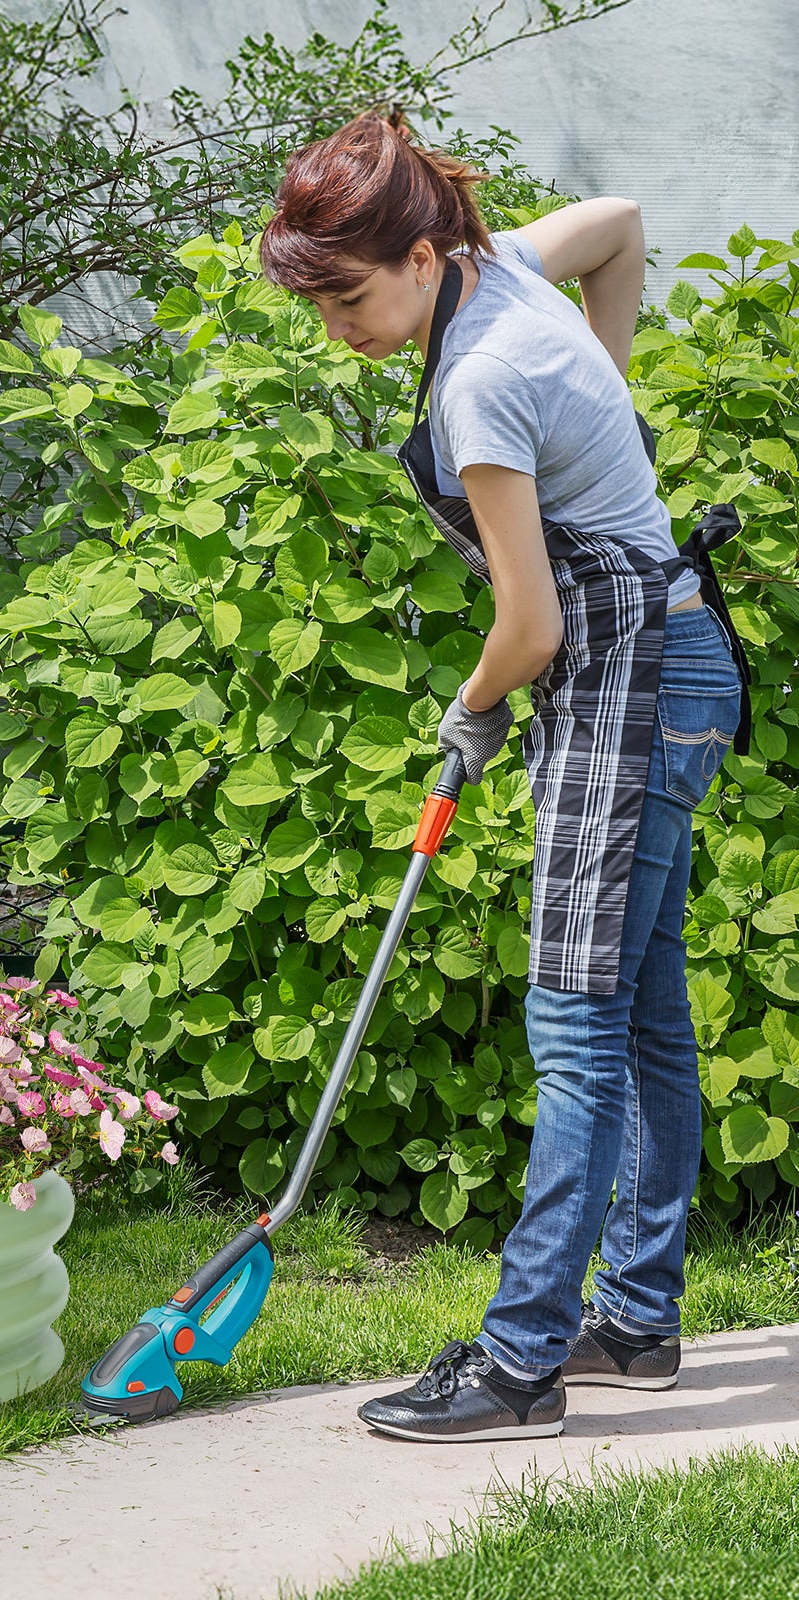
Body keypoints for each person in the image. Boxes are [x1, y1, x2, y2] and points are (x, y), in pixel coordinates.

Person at [257, 110, 751, 1442]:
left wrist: (469, 712)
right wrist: (605, 390)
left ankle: (522, 1364)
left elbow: (524, 633)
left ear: (421, 255)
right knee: (641, 1012)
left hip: (626, 685)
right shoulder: (507, 271)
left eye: (349, 299)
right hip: (674, 661)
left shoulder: (481, 383)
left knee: (575, 1028)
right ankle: (637, 1323)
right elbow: (625, 222)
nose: (339, 333)